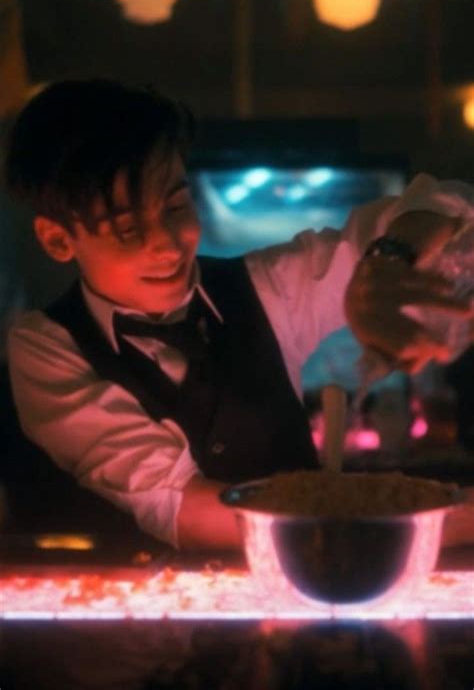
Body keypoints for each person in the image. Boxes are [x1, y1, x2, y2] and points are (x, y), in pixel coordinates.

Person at [4, 79, 473, 550]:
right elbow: (178, 507)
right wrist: (418, 524)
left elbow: (449, 208)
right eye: (128, 229)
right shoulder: (46, 348)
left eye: (176, 205)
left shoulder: (263, 288)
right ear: (58, 240)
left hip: (313, 598)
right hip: (134, 613)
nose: (168, 243)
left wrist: (387, 262)